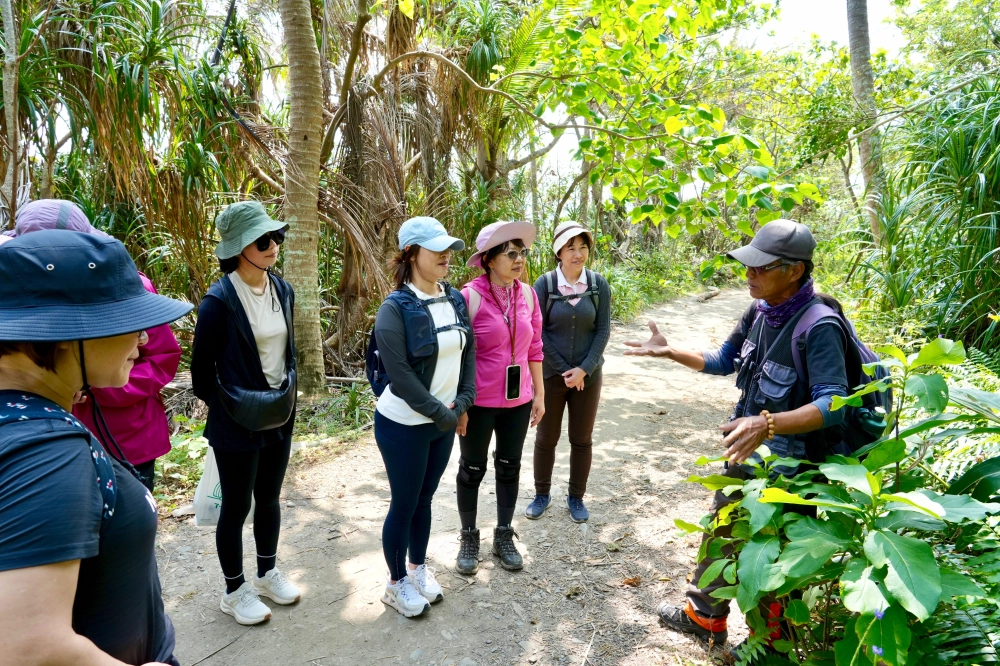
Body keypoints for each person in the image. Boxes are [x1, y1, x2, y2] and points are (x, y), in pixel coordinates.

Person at [624, 220, 849, 653]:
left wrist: (768, 424)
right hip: (745, 456)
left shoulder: (820, 326)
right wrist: (671, 351)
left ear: (795, 270)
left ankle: (772, 647)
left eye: (761, 268)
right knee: (721, 532)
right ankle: (704, 619)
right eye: (748, 266)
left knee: (777, 558)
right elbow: (725, 358)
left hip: (792, 475)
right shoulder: (759, 312)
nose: (750, 275)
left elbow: (833, 404)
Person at [0, 229, 192, 665]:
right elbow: (28, 648)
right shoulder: (47, 453)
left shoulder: (19, 420)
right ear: (66, 332)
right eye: (127, 321)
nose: (144, 339)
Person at [11, 199, 182, 493]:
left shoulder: (129, 289)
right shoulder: (16, 301)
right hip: (45, 437)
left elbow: (161, 357)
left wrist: (98, 386)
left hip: (125, 435)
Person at [190, 200, 302, 626]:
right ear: (239, 248)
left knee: (269, 497)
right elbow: (202, 373)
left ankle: (267, 572)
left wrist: (283, 394)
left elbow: (288, 352)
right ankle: (234, 590)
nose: (273, 244)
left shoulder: (282, 289)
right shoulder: (218, 301)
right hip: (236, 419)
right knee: (236, 505)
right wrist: (233, 404)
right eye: (262, 239)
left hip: (279, 411)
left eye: (276, 236)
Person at [370, 216, 476, 617]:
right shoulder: (393, 309)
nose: (447, 255)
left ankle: (416, 567)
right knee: (404, 501)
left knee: (426, 498)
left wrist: (463, 402)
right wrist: (444, 415)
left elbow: (469, 352)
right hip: (404, 424)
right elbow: (402, 377)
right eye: (437, 249)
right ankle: (394, 583)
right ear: (412, 254)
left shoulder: (455, 298)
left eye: (449, 247)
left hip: (443, 420)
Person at [455, 220, 545, 574]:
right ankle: (468, 535)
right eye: (510, 253)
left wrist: (538, 393)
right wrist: (461, 405)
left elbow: (535, 347)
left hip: (518, 402)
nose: (518, 259)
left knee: (510, 467)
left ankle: (504, 534)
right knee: (471, 470)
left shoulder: (529, 294)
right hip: (478, 403)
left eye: (521, 252)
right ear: (489, 259)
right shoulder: (469, 296)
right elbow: (459, 354)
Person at [526, 222, 612, 524]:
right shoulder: (545, 285)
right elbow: (538, 333)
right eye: (571, 248)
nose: (578, 254)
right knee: (546, 438)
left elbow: (602, 331)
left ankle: (576, 498)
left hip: (589, 376)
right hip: (551, 375)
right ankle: (541, 495)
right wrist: (566, 370)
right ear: (558, 252)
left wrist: (585, 369)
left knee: (581, 438)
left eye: (583, 247)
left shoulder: (598, 284)